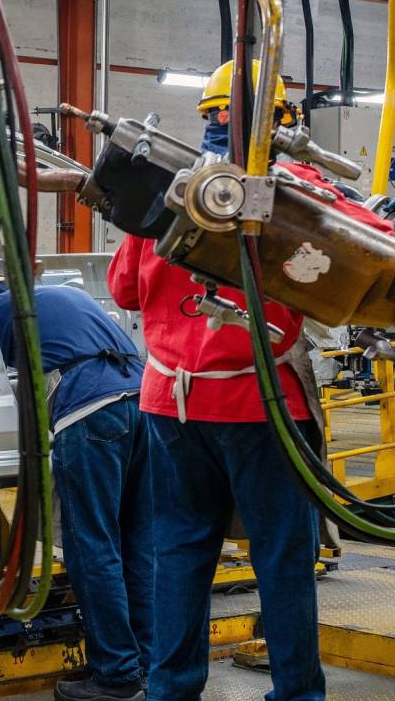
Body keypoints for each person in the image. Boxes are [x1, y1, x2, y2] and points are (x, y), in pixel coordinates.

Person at [108, 59, 390, 701]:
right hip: (260, 404)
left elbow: (125, 289)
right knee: (282, 558)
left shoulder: (168, 190)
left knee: (179, 553)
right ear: (284, 119)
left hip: (170, 407)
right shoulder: (294, 188)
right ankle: (296, 693)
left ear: (206, 116)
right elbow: (372, 257)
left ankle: (172, 690)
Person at [0, 284, 150, 701]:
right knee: (137, 545)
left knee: (92, 547)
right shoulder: (62, 295)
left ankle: (116, 676)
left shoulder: (3, 309)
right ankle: (146, 667)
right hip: (143, 402)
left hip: (90, 413)